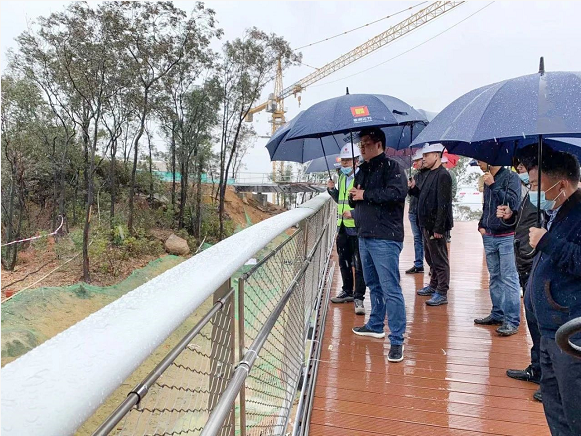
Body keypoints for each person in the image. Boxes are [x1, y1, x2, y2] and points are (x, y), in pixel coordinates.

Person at [526, 149, 581, 436]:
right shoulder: (555, 212)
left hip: (570, 331)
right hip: (548, 329)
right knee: (554, 405)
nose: (532, 191)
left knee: (575, 410)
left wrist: (547, 241)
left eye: (537, 184)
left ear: (561, 184)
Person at [348, 127, 408, 363]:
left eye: (366, 143)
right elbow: (356, 200)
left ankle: (397, 340)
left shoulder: (393, 168)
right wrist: (353, 196)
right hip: (364, 234)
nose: (362, 148)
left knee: (390, 288)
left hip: (385, 237)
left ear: (379, 145)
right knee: (373, 284)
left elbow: (396, 193)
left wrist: (365, 195)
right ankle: (375, 325)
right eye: (360, 144)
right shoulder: (362, 169)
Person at [498, 153, 542, 402]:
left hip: (535, 263)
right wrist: (511, 217)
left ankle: (551, 380)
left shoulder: (550, 197)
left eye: (524, 168)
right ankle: (537, 369)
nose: (521, 173)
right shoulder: (532, 192)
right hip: (525, 262)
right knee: (534, 323)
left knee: (544, 327)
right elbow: (525, 222)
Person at [474, 158, 522, 336]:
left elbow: (513, 203)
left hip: (507, 236)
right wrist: (481, 225)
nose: (478, 163)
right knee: (494, 276)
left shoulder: (511, 177)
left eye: (480, 160)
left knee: (509, 278)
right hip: (489, 235)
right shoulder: (487, 178)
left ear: (491, 159)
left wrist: (493, 185)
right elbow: (487, 206)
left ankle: (512, 321)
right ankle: (497, 314)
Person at [408, 143, 453, 306]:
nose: (424, 159)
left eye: (426, 155)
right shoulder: (429, 174)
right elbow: (424, 196)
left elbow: (443, 204)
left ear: (436, 155)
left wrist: (439, 228)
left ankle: (442, 291)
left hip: (435, 226)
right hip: (426, 224)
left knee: (440, 259)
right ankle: (434, 285)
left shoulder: (443, 175)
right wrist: (413, 189)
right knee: (431, 257)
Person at [327, 145, 366, 315]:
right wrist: (332, 190)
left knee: (359, 263)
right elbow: (340, 200)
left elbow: (367, 203)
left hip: (357, 227)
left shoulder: (363, 177)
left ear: (357, 161)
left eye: (348, 160)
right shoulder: (342, 177)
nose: (344, 163)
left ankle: (359, 297)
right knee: (343, 260)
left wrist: (354, 213)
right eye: (343, 160)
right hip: (342, 225)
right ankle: (347, 291)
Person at [405, 149, 428, 274]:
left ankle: (433, 265)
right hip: (413, 211)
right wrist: (410, 188)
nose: (415, 163)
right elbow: (412, 195)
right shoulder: (416, 175)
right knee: (417, 239)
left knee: (427, 239)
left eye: (417, 161)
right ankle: (418, 264)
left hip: (423, 212)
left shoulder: (430, 175)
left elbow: (424, 195)